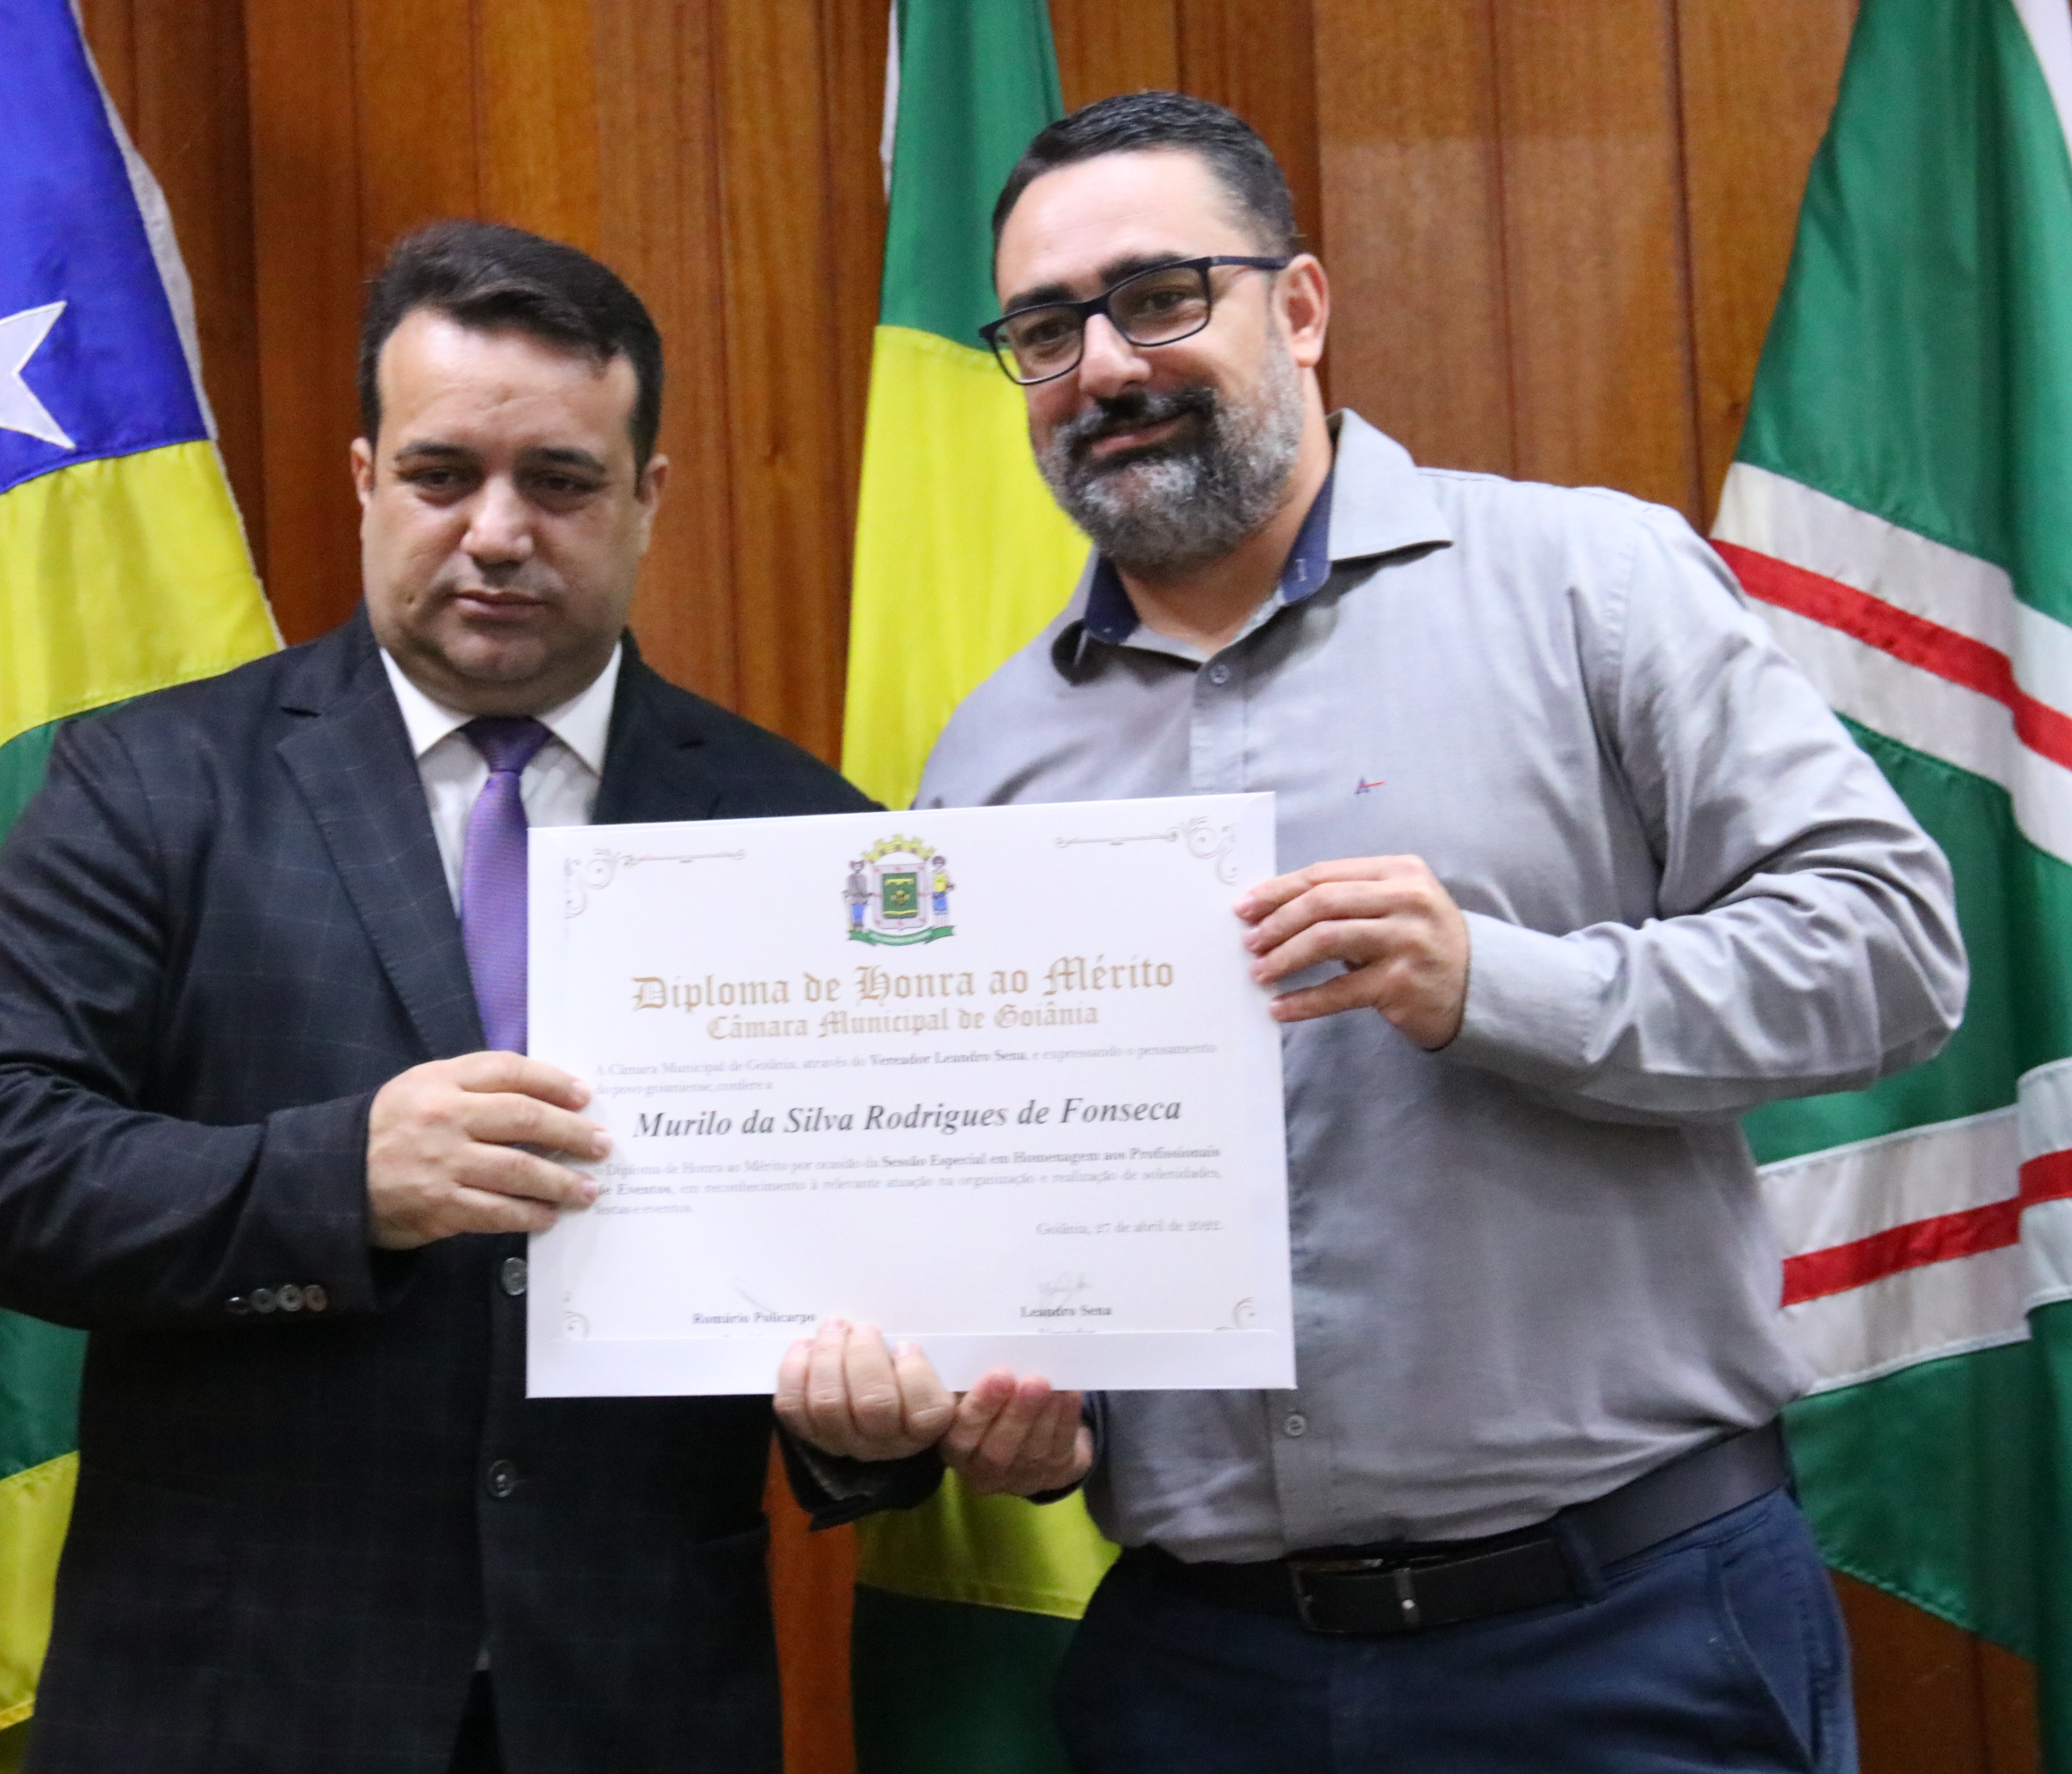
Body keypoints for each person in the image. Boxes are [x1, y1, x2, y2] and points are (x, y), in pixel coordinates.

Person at [781, 93, 1965, 1772]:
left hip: (1624, 1636)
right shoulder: (992, 755)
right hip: (1202, 1672)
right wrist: (1036, 1411)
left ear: (1303, 307)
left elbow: (1894, 951)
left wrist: (1496, 982)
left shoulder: (1592, 583)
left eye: (1160, 297)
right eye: (1046, 330)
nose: (1103, 365)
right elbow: (1019, 1202)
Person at [0, 220, 929, 1774]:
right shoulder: (154, 783)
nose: (497, 533)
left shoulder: (809, 835)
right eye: (444, 475)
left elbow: (875, 1254)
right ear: (366, 478)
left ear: (648, 499)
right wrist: (340, 1180)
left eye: (561, 482)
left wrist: (867, 1431)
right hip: (231, 1703)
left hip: (635, 1703)